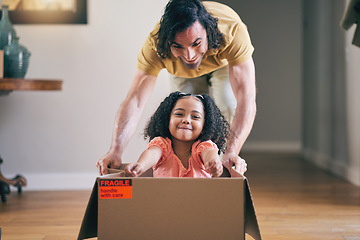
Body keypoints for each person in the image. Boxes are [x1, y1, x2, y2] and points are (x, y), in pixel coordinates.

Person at [96, 0, 256, 175]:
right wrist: (116, 150)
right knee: (185, 114)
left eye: (196, 43)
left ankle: (219, 164)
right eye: (178, 46)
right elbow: (135, 100)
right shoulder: (155, 46)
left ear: (208, 33)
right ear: (167, 43)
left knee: (227, 101)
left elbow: (246, 98)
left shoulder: (232, 32)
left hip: (223, 65)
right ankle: (186, 173)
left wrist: (231, 151)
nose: (189, 55)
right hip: (181, 71)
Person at [125, 92, 230, 178]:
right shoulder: (162, 145)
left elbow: (209, 154)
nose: (186, 120)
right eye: (179, 114)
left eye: (195, 117)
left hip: (198, 201)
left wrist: (214, 163)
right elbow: (152, 154)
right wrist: (140, 166)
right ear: (167, 120)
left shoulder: (202, 147)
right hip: (164, 200)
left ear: (205, 126)